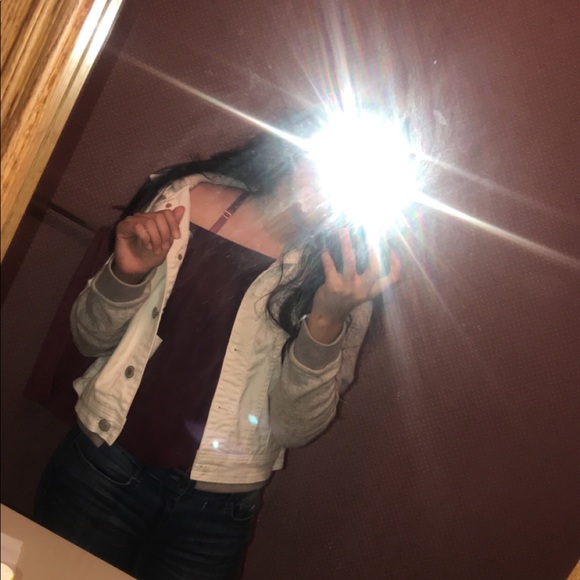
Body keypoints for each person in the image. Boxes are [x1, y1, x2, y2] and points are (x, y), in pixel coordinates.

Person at [34, 111, 401, 580]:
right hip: (101, 471)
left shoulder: (348, 279)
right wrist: (125, 276)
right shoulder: (186, 202)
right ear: (299, 146)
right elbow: (89, 338)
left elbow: (293, 428)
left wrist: (327, 319)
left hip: (215, 517)